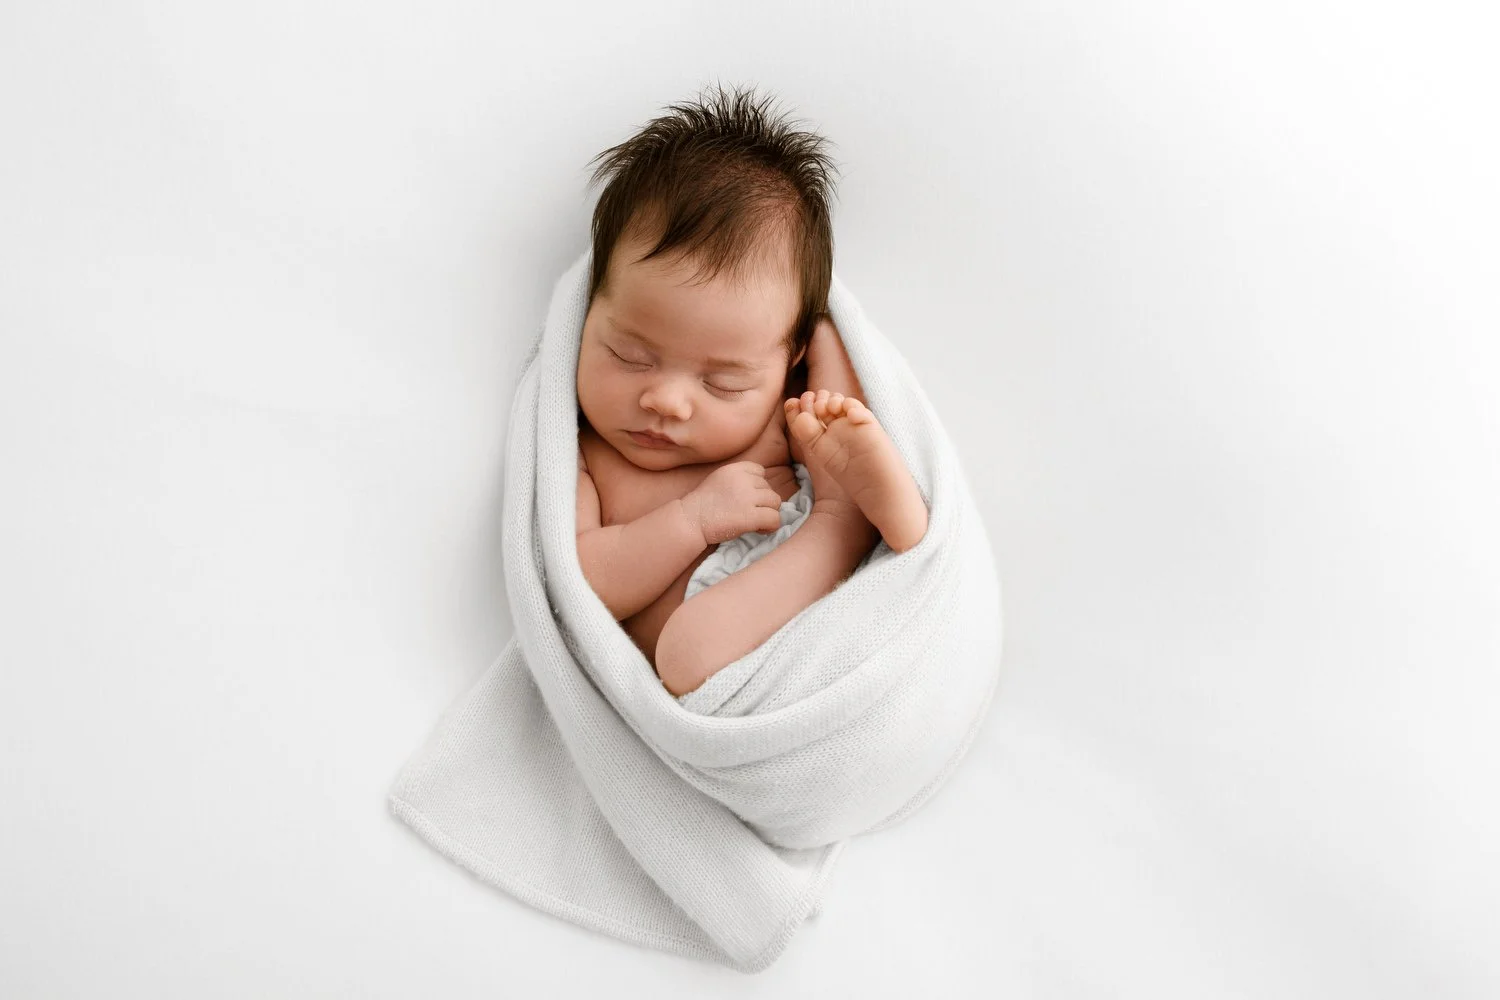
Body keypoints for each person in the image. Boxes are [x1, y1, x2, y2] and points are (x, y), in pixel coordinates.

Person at [573, 83, 928, 697]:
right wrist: (692, 519)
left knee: (831, 431)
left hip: (791, 540)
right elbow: (585, 583)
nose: (668, 401)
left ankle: (872, 516)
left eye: (723, 380)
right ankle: (844, 528)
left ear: (786, 359)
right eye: (630, 356)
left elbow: (830, 395)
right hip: (731, 636)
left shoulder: (776, 409)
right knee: (685, 654)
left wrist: (824, 358)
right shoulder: (583, 455)